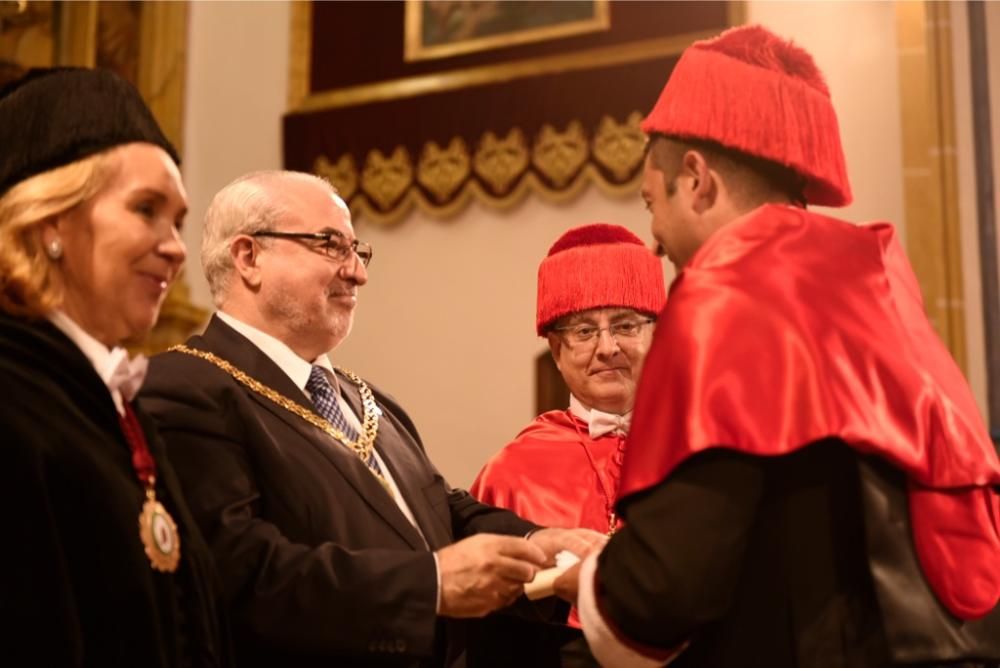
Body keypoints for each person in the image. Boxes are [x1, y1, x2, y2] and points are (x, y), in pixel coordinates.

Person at [553, 24, 1000, 667]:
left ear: (697, 179)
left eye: (653, 204)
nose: (653, 239)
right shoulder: (876, 276)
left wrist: (593, 584)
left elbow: (669, 585)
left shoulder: (725, 293)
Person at [139, 170, 602, 667]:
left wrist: (537, 545)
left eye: (358, 251)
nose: (357, 272)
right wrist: (430, 585)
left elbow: (441, 511)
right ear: (249, 257)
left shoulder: (368, 399)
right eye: (331, 245)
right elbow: (241, 575)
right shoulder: (184, 388)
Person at [0, 68, 230, 666]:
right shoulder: (13, 399)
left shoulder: (108, 406)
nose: (176, 246)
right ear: (49, 221)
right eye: (146, 209)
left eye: (177, 220)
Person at [468, 223, 664, 666]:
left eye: (626, 324)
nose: (608, 347)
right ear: (556, 351)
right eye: (583, 331)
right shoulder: (512, 471)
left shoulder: (698, 449)